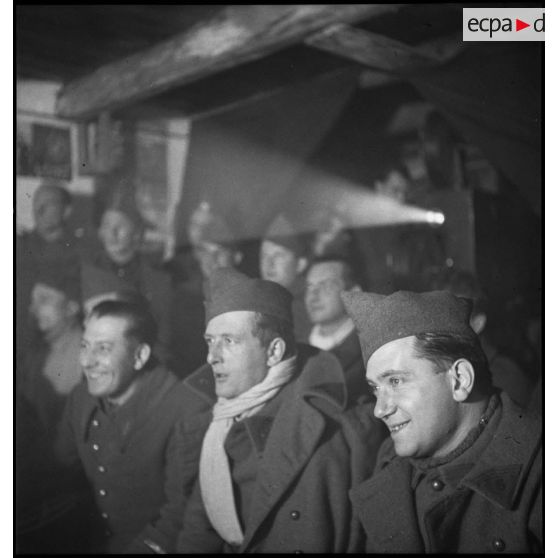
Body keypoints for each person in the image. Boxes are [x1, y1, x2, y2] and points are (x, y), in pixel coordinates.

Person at [176, 267, 385, 553]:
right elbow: (198, 531)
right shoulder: (219, 422)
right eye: (210, 342)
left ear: (274, 351)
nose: (212, 357)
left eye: (229, 341)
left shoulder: (331, 426)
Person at [341, 289, 542, 553]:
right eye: (375, 389)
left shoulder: (541, 471)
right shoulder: (387, 460)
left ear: (459, 379)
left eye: (396, 381)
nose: (380, 409)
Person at [54, 300, 202, 553]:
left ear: (140, 356)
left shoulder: (185, 410)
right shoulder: (80, 399)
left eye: (103, 349)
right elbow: (60, 475)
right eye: (84, 346)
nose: (87, 362)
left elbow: (180, 517)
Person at [82, 187, 173, 366]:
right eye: (106, 225)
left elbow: (163, 343)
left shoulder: (158, 280)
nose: (111, 234)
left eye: (120, 226)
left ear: (137, 233)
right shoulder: (86, 271)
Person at [430, 267, 537, 407]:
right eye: (435, 315)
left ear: (478, 323)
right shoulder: (433, 367)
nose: (438, 327)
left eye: (452, 316)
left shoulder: (505, 379)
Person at [170, 202, 245, 378]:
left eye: (219, 253)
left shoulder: (250, 299)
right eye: (205, 252)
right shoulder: (184, 298)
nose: (211, 261)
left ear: (237, 257)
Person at [18, 263, 83, 443]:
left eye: (44, 300)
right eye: (33, 301)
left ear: (71, 308)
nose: (33, 308)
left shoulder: (82, 358)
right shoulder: (37, 353)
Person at [16, 182, 81, 361]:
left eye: (48, 203)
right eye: (36, 203)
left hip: (56, 349)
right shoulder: (19, 245)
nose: (39, 209)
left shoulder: (79, 252)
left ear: (66, 210)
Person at [305, 256, 369, 405]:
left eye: (326, 286)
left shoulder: (369, 350)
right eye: (309, 287)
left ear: (354, 293)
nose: (313, 296)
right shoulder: (294, 345)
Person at [260, 213, 312, 341]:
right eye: (264, 256)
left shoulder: (307, 307)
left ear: (300, 264)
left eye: (278, 256)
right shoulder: (264, 301)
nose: (269, 264)